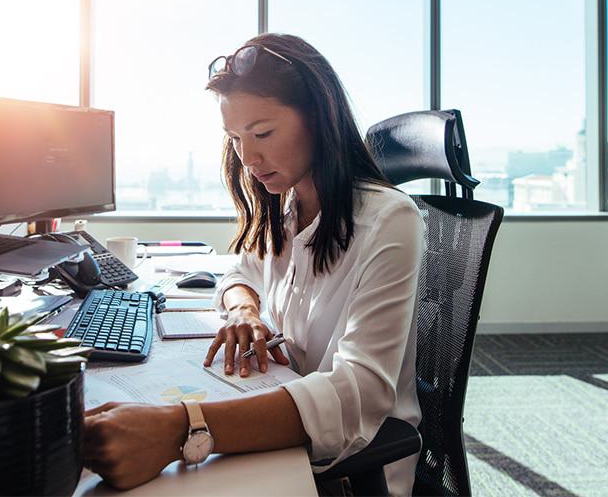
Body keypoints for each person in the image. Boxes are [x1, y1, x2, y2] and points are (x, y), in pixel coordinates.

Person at [82, 33, 424, 495]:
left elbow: (358, 391)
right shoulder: (287, 207)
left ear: (319, 119)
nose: (248, 158)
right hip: (282, 414)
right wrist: (244, 312)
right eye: (236, 139)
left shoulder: (390, 220)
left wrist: (179, 429)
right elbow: (241, 274)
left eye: (262, 133)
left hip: (346, 466)